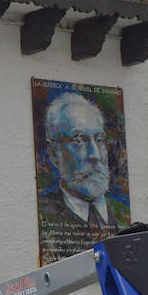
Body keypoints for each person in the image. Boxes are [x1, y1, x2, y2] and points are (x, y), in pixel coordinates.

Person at [39, 90, 130, 255]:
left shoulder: (123, 214)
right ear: (53, 153)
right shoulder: (44, 216)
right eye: (79, 140)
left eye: (100, 139)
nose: (94, 155)